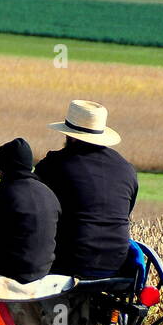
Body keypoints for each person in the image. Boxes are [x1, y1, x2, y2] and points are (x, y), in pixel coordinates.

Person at [35, 100, 138, 279]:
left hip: (68, 260)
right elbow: (126, 212)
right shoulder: (126, 168)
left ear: (71, 136)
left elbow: (35, 208)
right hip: (116, 261)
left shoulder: (53, 165)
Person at [0, 138, 60, 284]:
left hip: (11, 271)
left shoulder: (4, 194)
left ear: (8, 167)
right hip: (43, 270)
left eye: (0, 167)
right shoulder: (48, 193)